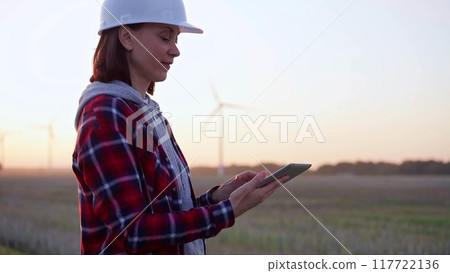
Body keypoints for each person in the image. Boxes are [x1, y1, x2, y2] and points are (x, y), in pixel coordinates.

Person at [72, 0, 286, 255]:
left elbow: (170, 212)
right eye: (165, 37)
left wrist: (221, 197)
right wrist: (228, 211)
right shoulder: (104, 114)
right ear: (127, 38)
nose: (175, 50)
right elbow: (132, 231)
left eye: (176, 39)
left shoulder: (151, 114)